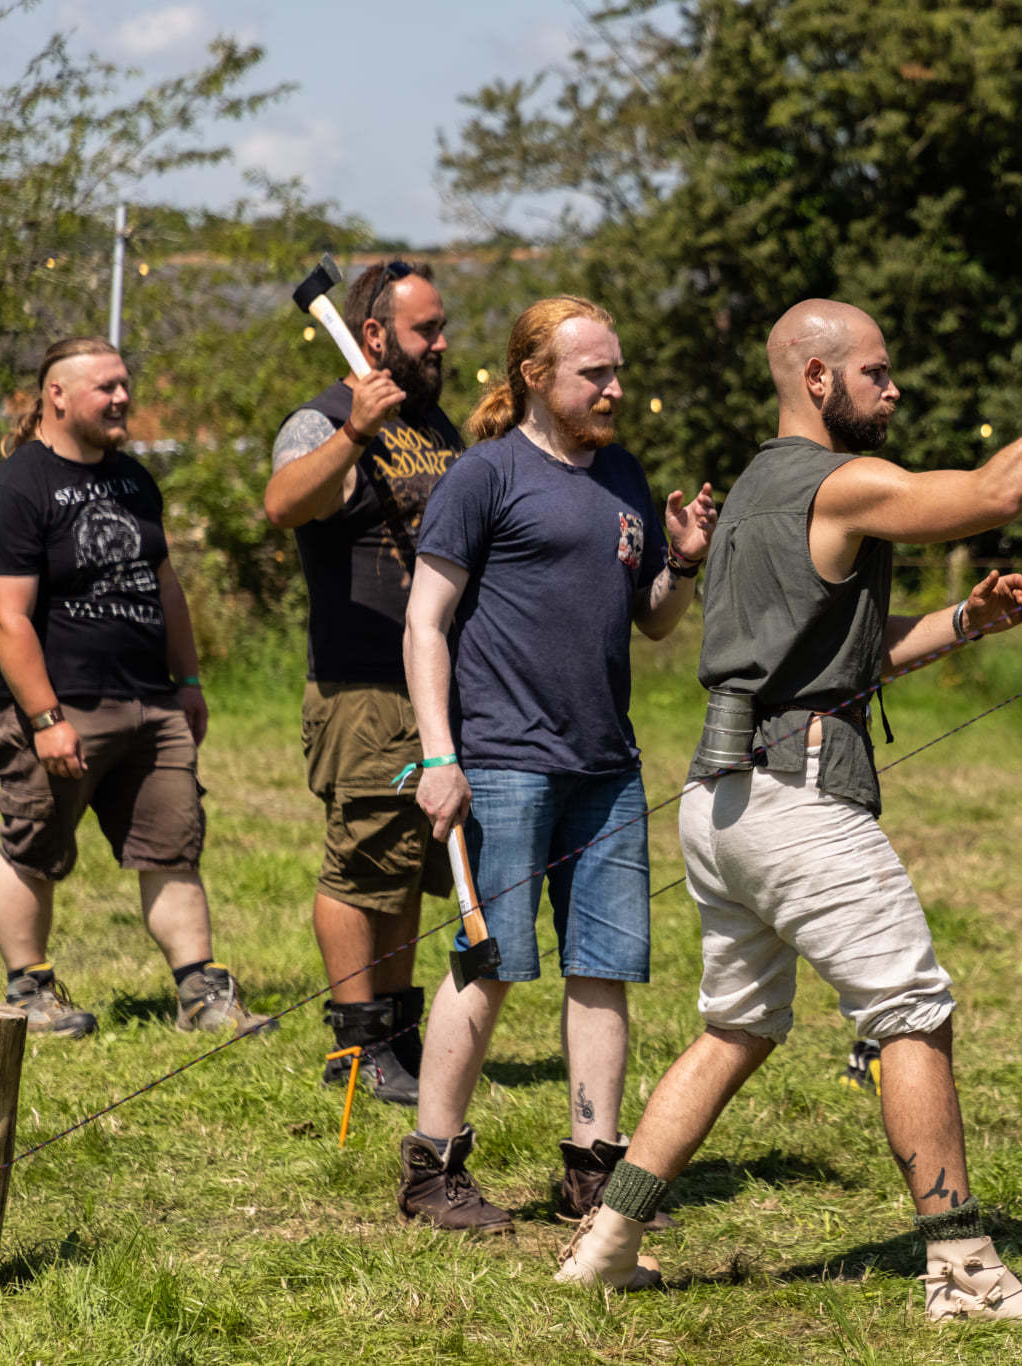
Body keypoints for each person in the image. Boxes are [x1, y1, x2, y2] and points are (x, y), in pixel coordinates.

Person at [554, 276, 1022, 1323]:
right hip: (799, 805)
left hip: (718, 803)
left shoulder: (753, 491)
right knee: (910, 1012)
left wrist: (963, 623)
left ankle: (606, 1241)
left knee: (734, 1026)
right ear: (816, 375)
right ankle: (964, 1271)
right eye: (875, 371)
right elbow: (996, 493)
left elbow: (844, 654)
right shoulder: (842, 481)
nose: (894, 387)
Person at [396, 295, 716, 1234]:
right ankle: (433, 1168)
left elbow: (650, 615)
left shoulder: (621, 474)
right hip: (501, 759)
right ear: (536, 378)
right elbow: (425, 622)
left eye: (617, 371)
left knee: (603, 966)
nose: (614, 389)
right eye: (594, 375)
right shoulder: (483, 476)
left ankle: (593, 1165)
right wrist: (439, 756)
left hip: (606, 763)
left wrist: (683, 562)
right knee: (486, 963)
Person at [0, 337, 274, 1038]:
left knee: (172, 846)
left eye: (124, 384)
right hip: (64, 706)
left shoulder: (134, 479)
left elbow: (164, 584)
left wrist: (191, 679)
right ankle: (29, 991)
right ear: (55, 396)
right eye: (104, 387)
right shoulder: (16, 490)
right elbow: (5, 616)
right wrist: (45, 718)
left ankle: (202, 995)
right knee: (34, 848)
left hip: (152, 701)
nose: (122, 398)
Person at [266, 260, 462, 1105]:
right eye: (427, 329)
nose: (445, 343)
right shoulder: (320, 418)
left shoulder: (436, 423)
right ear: (375, 336)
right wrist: (351, 433)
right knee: (360, 862)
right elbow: (282, 504)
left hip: (436, 685)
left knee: (409, 861)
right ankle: (354, 1045)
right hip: (363, 685)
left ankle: (395, 1029)